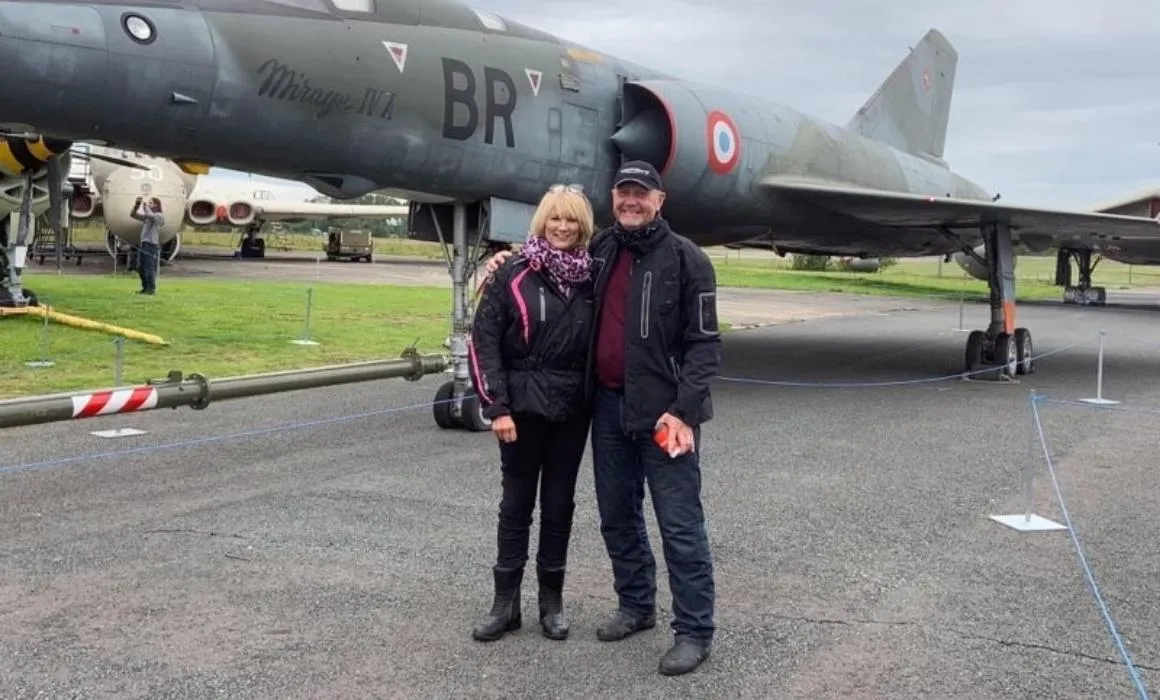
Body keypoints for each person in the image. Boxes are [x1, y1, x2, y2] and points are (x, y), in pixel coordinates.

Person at [485, 160, 722, 676]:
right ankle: (636, 604)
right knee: (617, 516)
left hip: (667, 416)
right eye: (623, 193)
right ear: (613, 199)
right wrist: (504, 261)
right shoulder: (602, 251)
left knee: (679, 525)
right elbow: (550, 261)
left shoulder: (688, 260)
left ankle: (695, 630)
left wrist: (683, 409)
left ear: (660, 200)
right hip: (610, 406)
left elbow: (706, 346)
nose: (632, 201)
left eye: (642, 193)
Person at [468, 184, 597, 643]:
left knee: (559, 505)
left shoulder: (591, 277)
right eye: (555, 219)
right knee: (516, 505)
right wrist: (496, 406)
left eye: (572, 220)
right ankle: (505, 605)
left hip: (571, 409)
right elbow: (482, 342)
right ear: (541, 222)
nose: (563, 227)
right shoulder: (513, 273)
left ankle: (551, 602)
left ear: (584, 226)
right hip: (521, 408)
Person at [129, 196, 164, 295]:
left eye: (151, 203)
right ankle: (145, 287)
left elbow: (152, 216)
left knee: (149, 267)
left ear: (156, 205)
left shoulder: (159, 216)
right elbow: (132, 214)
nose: (149, 204)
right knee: (140, 267)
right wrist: (137, 205)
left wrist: (145, 207)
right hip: (143, 243)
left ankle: (151, 288)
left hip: (151, 244)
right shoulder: (147, 217)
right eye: (148, 203)